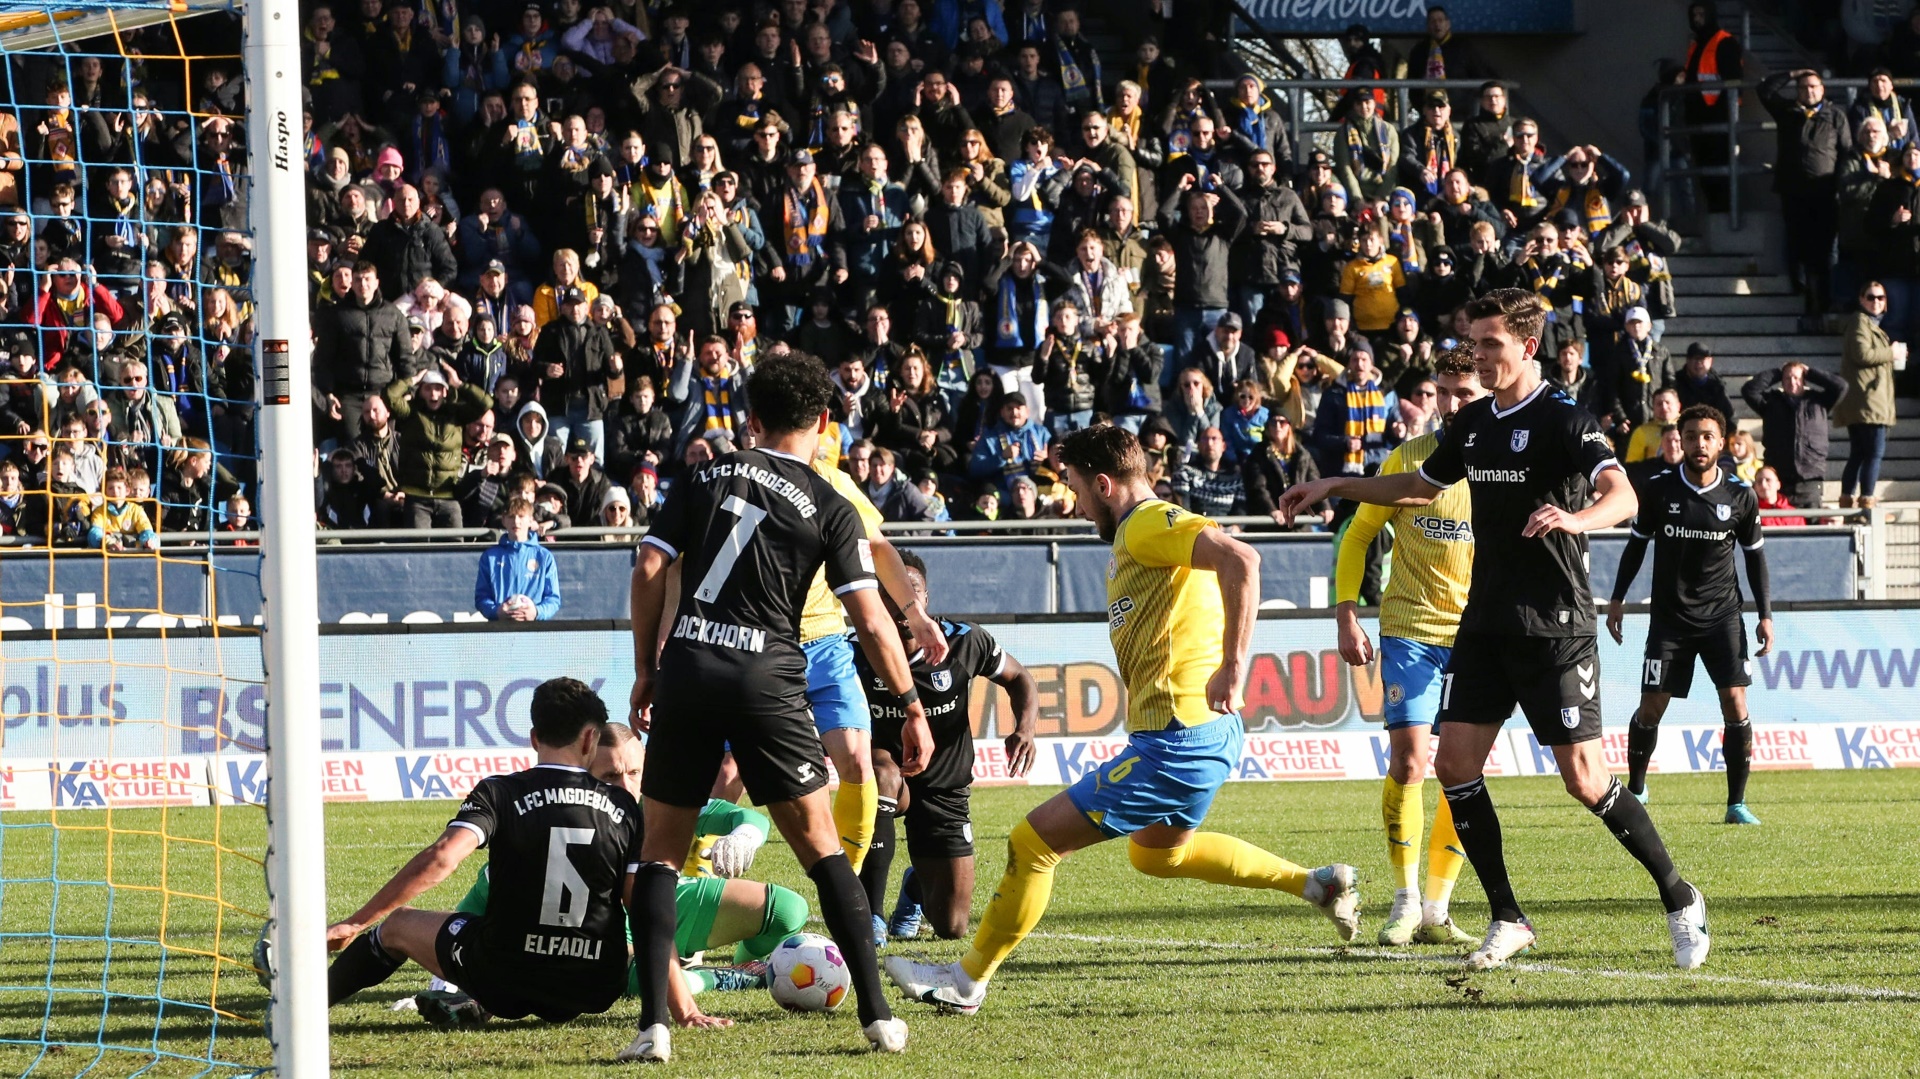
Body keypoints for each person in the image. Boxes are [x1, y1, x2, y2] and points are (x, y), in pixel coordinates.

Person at [1275, 289, 1710, 973]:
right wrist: (1335, 485)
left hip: (1555, 625)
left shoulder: (1567, 417)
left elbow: (1621, 493)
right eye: (1473, 343)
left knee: (1586, 779)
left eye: (1490, 345)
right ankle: (1508, 915)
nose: (1478, 355)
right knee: (1451, 766)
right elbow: (1418, 486)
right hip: (1483, 623)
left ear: (1527, 347)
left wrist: (1577, 518)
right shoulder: (1474, 421)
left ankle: (1680, 894)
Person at [885, 425, 1362, 1015]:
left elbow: (1243, 557)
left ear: (1106, 484)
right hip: (1198, 736)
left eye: (1079, 492)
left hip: (1179, 740)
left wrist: (1234, 667)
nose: (1078, 507)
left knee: (1032, 842)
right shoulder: (1144, 535)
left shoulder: (1144, 523)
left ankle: (965, 983)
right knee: (1157, 854)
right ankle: (1317, 884)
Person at [623, 353, 930, 1061]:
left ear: (749, 419)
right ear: (823, 425)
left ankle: (654, 1028)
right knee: (822, 848)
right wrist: (910, 703)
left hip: (690, 669)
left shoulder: (699, 475)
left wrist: (647, 667)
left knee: (661, 855)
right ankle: (878, 1018)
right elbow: (873, 619)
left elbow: (646, 568)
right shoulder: (829, 502)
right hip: (768, 677)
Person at [419, 722, 808, 1023]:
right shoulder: (550, 822)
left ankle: (750, 962)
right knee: (639, 975)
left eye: (635, 773)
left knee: (788, 911)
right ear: (584, 771)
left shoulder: (657, 802)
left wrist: (745, 836)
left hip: (672, 900)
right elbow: (474, 905)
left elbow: (741, 815)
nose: (626, 786)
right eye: (610, 777)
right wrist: (452, 979)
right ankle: (730, 977)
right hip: (608, 939)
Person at [324, 678, 647, 1024]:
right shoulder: (624, 807)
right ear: (590, 738)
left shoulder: (500, 792)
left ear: (534, 738)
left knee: (398, 925)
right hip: (592, 984)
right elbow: (643, 910)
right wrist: (673, 1012)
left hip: (504, 979)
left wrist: (356, 922)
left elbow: (443, 858)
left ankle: (303, 1004)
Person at [1331, 345, 1484, 947]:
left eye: (1462, 394)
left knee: (1462, 771)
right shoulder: (1411, 459)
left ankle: (1438, 909)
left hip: (1477, 635)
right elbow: (1357, 534)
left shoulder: (1504, 462)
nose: (1448, 405)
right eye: (1440, 393)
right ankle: (1405, 898)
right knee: (1411, 762)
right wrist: (1347, 614)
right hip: (1411, 629)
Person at [857, 549, 1039, 942]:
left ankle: (914, 888)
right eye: (889, 592)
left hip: (945, 789)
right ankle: (871, 918)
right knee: (882, 774)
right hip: (892, 780)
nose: (901, 602)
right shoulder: (856, 649)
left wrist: (1025, 728)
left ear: (926, 598)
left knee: (952, 927)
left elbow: (1020, 677)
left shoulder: (964, 641)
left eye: (912, 591)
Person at [1607, 404, 1772, 825]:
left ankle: (1736, 804)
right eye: (1692, 435)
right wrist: (1617, 598)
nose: (1699, 444)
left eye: (1707, 436)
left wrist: (1765, 615)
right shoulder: (1660, 490)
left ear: (1721, 442)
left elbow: (1755, 559)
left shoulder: (1740, 495)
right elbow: (1637, 546)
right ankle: (1638, 789)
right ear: (1680, 439)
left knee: (1736, 703)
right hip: (1670, 620)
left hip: (1723, 618)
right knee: (1651, 708)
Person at [1758, 69, 1851, 322]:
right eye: (1804, 87)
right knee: (1798, 247)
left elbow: (1846, 152)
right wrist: (1793, 73)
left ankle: (1824, 302)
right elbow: (1764, 89)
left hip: (1825, 193)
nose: (1809, 91)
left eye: (1814, 87)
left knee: (1825, 252)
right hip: (1794, 192)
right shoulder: (1787, 111)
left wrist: (1842, 187)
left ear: (1823, 89)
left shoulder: (1835, 116)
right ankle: (1803, 294)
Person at [1739, 360, 1845, 509]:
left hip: (1810, 478)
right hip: (1779, 479)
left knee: (1811, 527)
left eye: (1796, 377)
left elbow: (1841, 386)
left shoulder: (1819, 401)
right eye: (1787, 378)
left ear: (1804, 380)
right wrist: (1777, 372)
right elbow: (1749, 389)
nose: (1792, 382)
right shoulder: (1771, 402)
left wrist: (1812, 373)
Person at [1834, 281, 1902, 509]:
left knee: (1860, 454)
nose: (1876, 302)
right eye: (1871, 297)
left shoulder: (1870, 324)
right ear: (1861, 299)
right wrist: (1891, 352)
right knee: (1873, 453)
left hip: (1867, 400)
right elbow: (1862, 354)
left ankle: (1848, 499)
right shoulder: (1859, 322)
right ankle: (1866, 503)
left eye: (1881, 298)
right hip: (1867, 402)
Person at [475, 496, 561, 621]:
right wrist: (496, 612)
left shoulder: (544, 557)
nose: (516, 522)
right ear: (503, 520)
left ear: (531, 520)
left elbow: (553, 598)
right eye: (511, 517)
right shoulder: (490, 557)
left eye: (521, 516)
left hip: (534, 631)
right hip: (499, 630)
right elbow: (482, 597)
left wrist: (536, 612)